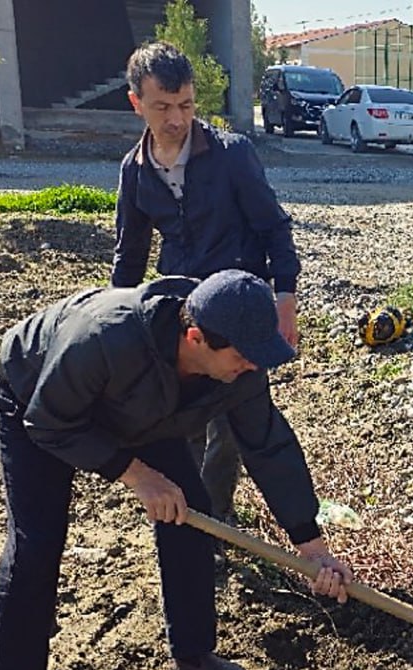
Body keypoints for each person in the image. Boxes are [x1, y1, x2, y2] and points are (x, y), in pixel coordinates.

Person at [0, 270, 352, 670]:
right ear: (196, 337)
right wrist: (136, 474)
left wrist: (313, 545)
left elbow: (267, 446)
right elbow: (48, 423)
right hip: (40, 403)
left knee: (190, 514)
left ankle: (193, 652)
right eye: (243, 357)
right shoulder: (106, 337)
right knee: (37, 540)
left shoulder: (241, 368)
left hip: (142, 410)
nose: (252, 368)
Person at [112, 41, 301, 526]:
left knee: (237, 420)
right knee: (181, 415)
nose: (177, 118)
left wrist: (285, 299)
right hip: (181, 313)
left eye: (186, 105)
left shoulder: (231, 155)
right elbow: (130, 256)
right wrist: (116, 321)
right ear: (136, 103)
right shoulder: (134, 172)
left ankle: (217, 518)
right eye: (162, 107)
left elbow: (273, 226)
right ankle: (188, 512)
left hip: (240, 308)